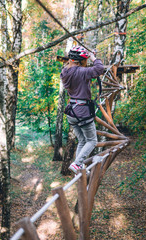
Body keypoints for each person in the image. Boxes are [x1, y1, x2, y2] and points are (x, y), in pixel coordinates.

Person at [61, 46, 105, 174]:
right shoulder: (81, 72)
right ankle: (76, 164)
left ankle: (78, 166)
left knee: (82, 140)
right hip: (82, 112)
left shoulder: (65, 72)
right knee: (92, 140)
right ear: (81, 61)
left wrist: (88, 57)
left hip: (72, 112)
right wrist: (93, 57)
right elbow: (99, 69)